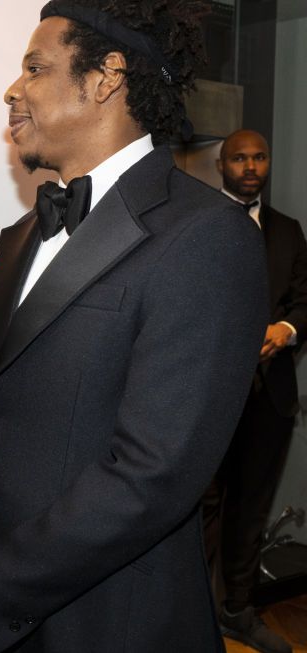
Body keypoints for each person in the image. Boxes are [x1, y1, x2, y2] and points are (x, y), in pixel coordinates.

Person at [0, 2, 269, 652]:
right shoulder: (20, 233)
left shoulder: (208, 236)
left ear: (107, 76)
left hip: (112, 621)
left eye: (35, 67)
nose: (12, 89)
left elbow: (152, 474)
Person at [202, 129, 305, 653]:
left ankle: (237, 611)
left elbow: (303, 300)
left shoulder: (288, 229)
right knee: (198, 508)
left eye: (259, 157)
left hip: (270, 398)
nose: (250, 166)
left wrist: (285, 331)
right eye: (239, 157)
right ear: (221, 164)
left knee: (251, 508)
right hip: (206, 395)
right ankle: (191, 614)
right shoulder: (195, 223)